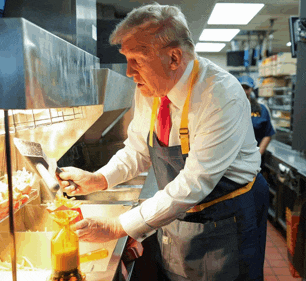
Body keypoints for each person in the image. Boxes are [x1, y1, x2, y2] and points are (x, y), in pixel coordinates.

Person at [58, 3, 269, 280]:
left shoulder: (219, 95)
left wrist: (118, 226)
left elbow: (196, 182)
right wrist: (99, 179)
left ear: (173, 57)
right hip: (180, 212)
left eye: (138, 60)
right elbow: (137, 149)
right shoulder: (151, 89)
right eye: (126, 60)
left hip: (227, 217)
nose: (130, 73)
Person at [238, 75, 276, 156]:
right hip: (234, 158)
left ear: (251, 89)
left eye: (247, 88)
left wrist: (257, 156)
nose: (245, 92)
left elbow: (267, 134)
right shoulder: (231, 109)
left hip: (254, 155)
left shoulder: (261, 109)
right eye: (242, 88)